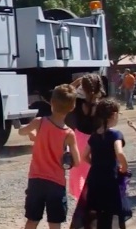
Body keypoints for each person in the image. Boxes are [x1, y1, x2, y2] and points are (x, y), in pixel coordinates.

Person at [18, 84, 81, 229]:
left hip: (36, 180)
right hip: (56, 183)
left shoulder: (39, 122)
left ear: (51, 102)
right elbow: (77, 162)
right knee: (54, 222)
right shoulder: (69, 134)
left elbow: (22, 132)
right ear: (72, 107)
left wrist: (31, 133)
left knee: (32, 220)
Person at [71, 99, 132, 229]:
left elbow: (84, 156)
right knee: (111, 213)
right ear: (114, 115)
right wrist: (124, 168)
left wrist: (96, 164)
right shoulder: (115, 134)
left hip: (94, 178)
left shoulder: (94, 135)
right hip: (110, 179)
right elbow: (119, 153)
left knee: (96, 213)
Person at [65, 74, 105, 202]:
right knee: (94, 170)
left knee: (79, 173)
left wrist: (76, 82)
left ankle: (83, 199)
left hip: (79, 140)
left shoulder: (78, 103)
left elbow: (65, 92)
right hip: (96, 140)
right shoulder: (102, 105)